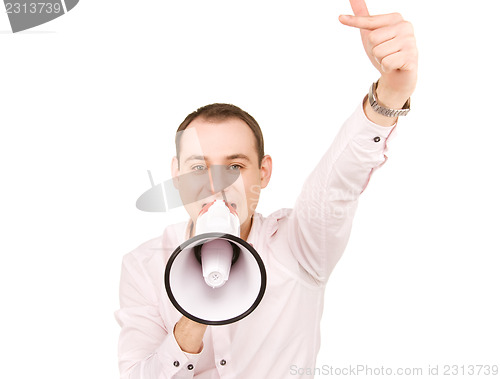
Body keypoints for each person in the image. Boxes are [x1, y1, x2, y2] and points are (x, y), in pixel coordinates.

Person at [114, 0, 418, 377]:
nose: (216, 185)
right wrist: (196, 314)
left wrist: (388, 95)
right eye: (198, 167)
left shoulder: (299, 246)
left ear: (264, 173)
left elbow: (336, 182)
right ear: (177, 177)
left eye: (235, 166)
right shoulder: (144, 266)